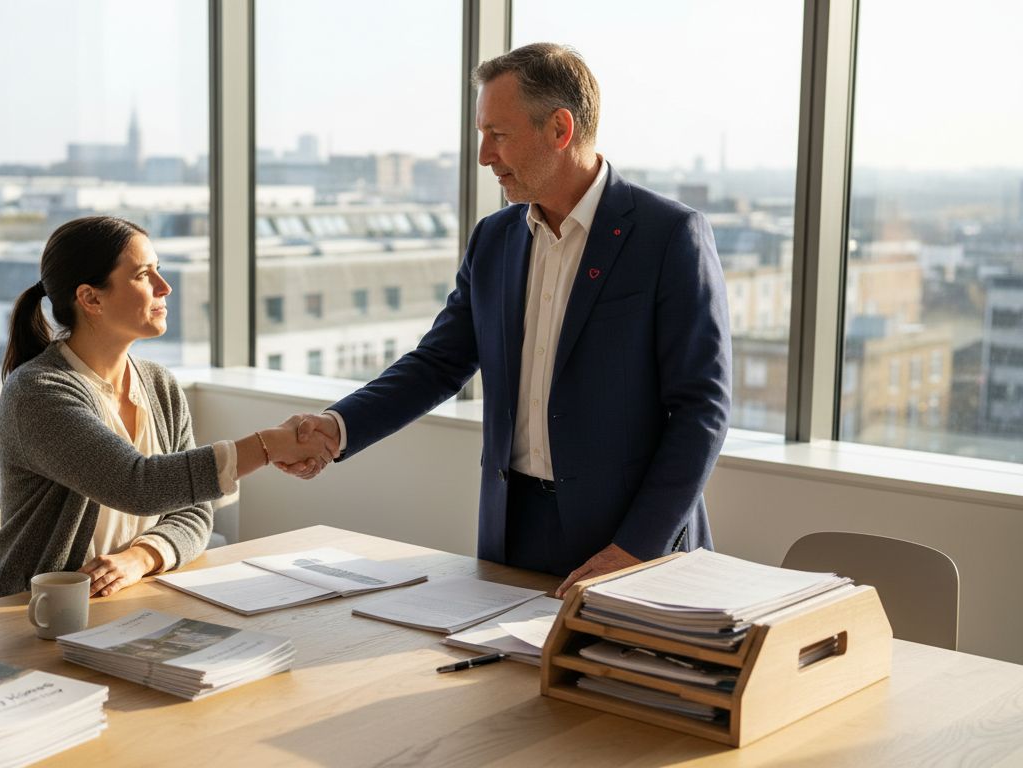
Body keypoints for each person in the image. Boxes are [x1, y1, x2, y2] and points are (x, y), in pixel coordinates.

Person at [282, 43, 731, 596]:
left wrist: (636, 547)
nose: (483, 156)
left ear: (560, 129)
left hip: (631, 541)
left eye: (498, 134)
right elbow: (438, 363)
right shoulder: (493, 239)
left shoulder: (668, 236)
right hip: (512, 530)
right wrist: (338, 427)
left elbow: (701, 409)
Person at [0, 216, 335, 601]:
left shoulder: (158, 384)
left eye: (158, 271)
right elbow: (138, 485)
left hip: (126, 601)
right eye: (144, 275)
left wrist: (140, 558)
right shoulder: (37, 392)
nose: (165, 287)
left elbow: (194, 512)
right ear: (91, 298)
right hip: (29, 611)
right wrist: (269, 445)